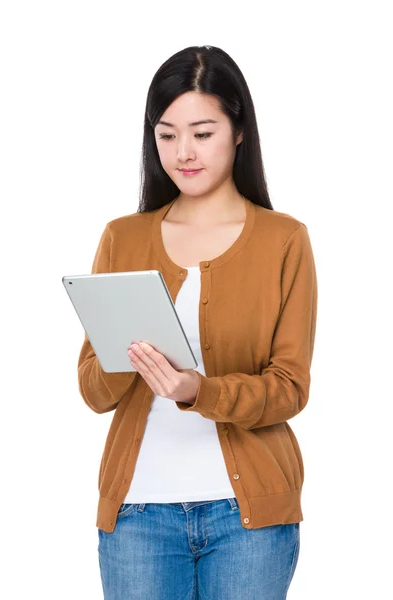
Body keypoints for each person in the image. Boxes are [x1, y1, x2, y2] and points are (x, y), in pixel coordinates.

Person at [78, 44, 318, 600]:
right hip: (138, 515)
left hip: (250, 519)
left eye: (202, 133)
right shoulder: (124, 237)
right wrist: (127, 355)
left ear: (238, 131)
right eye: (166, 134)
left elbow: (290, 388)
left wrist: (197, 390)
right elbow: (93, 391)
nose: (183, 151)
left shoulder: (284, 239)